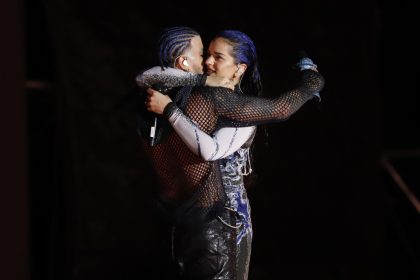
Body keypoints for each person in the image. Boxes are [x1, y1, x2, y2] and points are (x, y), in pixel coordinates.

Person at [136, 27, 324, 280]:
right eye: (206, 55)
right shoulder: (202, 97)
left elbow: (146, 77)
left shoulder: (204, 99)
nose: (207, 62)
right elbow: (211, 150)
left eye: (217, 56)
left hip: (201, 225)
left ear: (240, 68)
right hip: (208, 226)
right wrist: (312, 81)